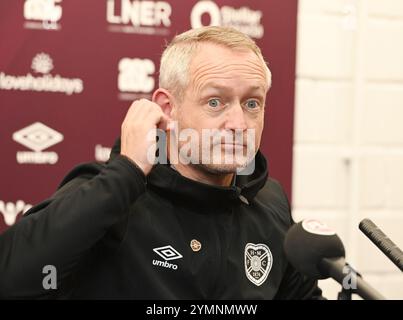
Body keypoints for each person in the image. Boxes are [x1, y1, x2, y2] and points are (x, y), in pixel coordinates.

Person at [0, 26, 323, 299]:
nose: (239, 123)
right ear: (168, 109)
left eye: (252, 103)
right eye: (215, 102)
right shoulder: (110, 193)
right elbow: (11, 279)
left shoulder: (270, 202)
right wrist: (126, 172)